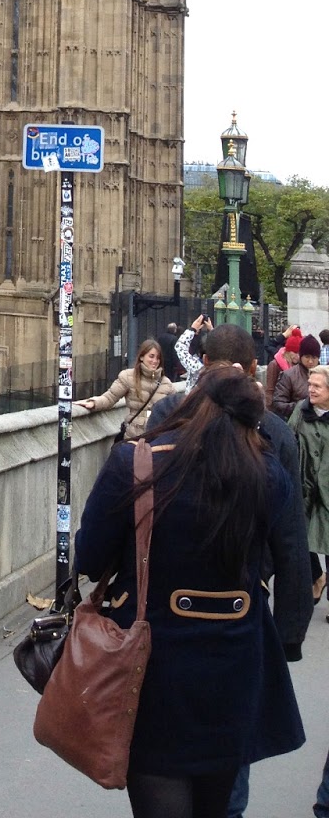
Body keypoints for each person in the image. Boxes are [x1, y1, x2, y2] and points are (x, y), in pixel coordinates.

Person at [76, 367, 305, 818]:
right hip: (235, 666)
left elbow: (89, 558)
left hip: (153, 666)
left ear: (192, 405)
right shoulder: (268, 475)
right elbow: (281, 549)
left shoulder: (135, 465)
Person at [149, 323, 313, 818]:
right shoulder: (274, 433)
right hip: (242, 608)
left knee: (168, 738)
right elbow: (291, 542)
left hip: (167, 608)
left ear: (202, 363)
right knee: (230, 748)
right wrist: (288, 635)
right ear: (252, 368)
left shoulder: (167, 413)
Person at [287, 364, 329, 607]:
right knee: (303, 539)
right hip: (304, 488)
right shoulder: (301, 411)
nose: (310, 390)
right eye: (310, 385)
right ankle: (317, 577)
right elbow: (288, 439)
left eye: (317, 386)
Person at [78, 340, 175, 439]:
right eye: (151, 356)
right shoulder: (128, 377)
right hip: (134, 436)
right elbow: (110, 397)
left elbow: (177, 408)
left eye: (158, 358)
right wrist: (94, 403)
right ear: (141, 357)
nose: (155, 361)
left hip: (158, 437)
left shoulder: (166, 383)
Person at [273, 335, 323, 420]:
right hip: (297, 421)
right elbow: (278, 403)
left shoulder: (325, 374)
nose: (310, 361)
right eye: (307, 357)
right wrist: (302, 406)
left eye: (314, 357)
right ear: (301, 356)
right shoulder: (289, 375)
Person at [265, 326, 304, 411]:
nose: (297, 356)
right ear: (288, 351)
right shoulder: (275, 365)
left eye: (299, 353)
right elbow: (270, 391)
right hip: (278, 408)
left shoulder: (301, 365)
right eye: (295, 352)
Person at [171, 313, 212, 392]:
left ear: (205, 358)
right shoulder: (224, 370)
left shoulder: (197, 368)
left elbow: (180, 347)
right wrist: (213, 332)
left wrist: (192, 329)